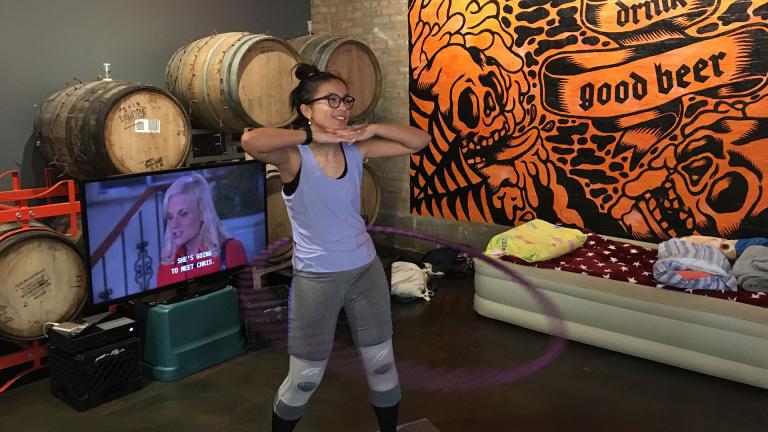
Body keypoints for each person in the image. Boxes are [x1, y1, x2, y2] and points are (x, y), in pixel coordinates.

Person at [242, 63, 430, 432]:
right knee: (306, 376)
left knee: (381, 364)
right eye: (331, 100)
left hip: (365, 271)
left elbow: (419, 141)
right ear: (307, 109)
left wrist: (371, 128)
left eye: (345, 99)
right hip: (317, 279)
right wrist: (310, 137)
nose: (342, 106)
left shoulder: (357, 149)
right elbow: (251, 141)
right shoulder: (294, 158)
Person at [156, 174, 248, 286]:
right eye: (170, 217)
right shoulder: (166, 266)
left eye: (183, 214)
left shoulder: (230, 250)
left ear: (203, 213)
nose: (174, 225)